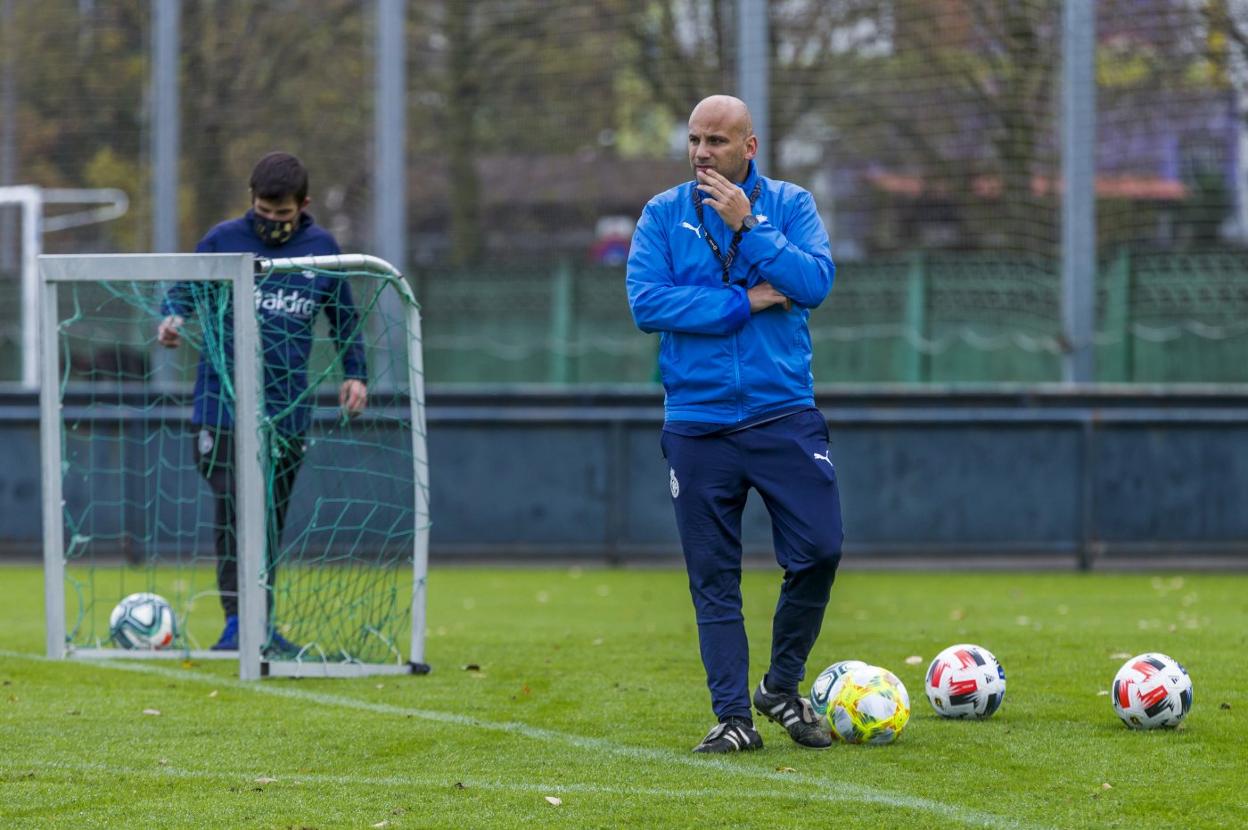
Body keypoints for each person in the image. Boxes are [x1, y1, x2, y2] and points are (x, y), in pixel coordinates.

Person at [626, 96, 842, 753]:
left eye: (716, 141)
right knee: (713, 577)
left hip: (783, 414)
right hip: (697, 424)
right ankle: (733, 718)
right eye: (694, 139)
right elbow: (647, 302)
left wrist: (751, 228)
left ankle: (779, 687)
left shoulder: (792, 206)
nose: (700, 152)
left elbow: (814, 282)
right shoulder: (663, 214)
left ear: (749, 147)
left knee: (821, 550)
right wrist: (741, 302)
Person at [157, 151, 368, 654]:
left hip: (286, 410)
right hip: (222, 406)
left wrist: (355, 374)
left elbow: (345, 319)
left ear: (304, 205)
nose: (272, 223)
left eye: (283, 215)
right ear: (251, 201)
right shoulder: (223, 239)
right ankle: (237, 623)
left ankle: (261, 622)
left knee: (269, 518)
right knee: (234, 505)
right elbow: (183, 291)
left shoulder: (322, 249)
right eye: (264, 213)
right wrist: (171, 318)